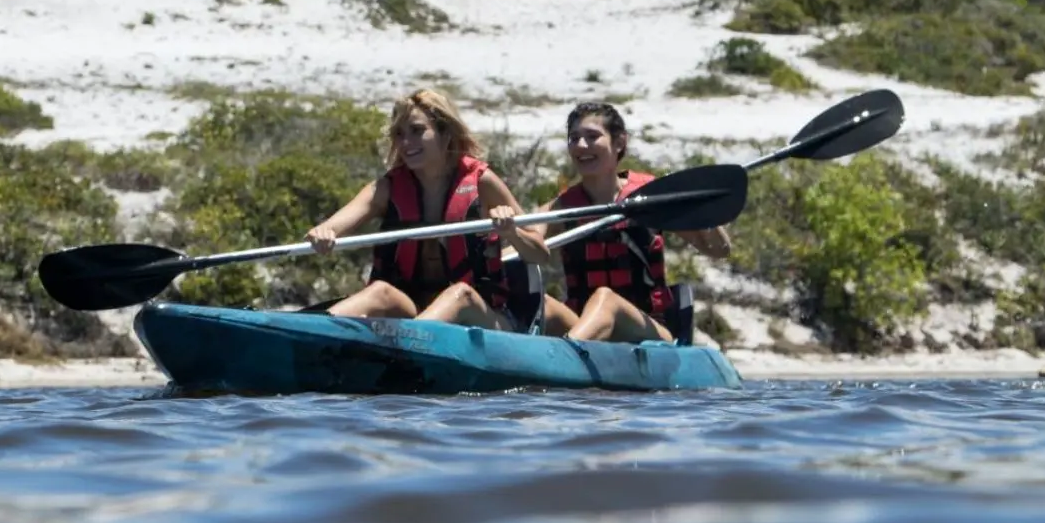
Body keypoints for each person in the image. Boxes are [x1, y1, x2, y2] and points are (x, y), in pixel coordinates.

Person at [304, 88, 554, 331]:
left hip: (482, 318)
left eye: (417, 131)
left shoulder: (482, 182)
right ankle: (309, 333)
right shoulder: (387, 188)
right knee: (380, 292)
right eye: (399, 134)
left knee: (459, 295)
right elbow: (333, 226)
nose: (405, 142)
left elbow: (540, 254)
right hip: (415, 312)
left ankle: (409, 346)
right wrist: (323, 233)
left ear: (445, 134)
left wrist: (511, 233)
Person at [523, 102, 734, 344]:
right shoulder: (564, 207)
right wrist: (507, 230)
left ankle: (563, 354)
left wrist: (697, 206)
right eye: (574, 138)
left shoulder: (649, 197)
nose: (581, 146)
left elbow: (719, 249)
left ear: (619, 142)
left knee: (606, 299)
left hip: (650, 331)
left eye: (592, 137)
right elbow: (523, 240)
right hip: (586, 326)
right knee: (543, 304)